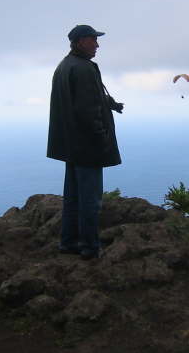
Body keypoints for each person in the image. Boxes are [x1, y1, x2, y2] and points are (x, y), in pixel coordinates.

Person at [47, 24, 123, 260]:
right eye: (93, 40)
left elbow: (84, 98)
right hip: (88, 146)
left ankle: (68, 242)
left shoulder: (65, 66)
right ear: (80, 42)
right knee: (91, 200)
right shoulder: (83, 69)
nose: (97, 45)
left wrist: (111, 104)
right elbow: (87, 110)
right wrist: (101, 137)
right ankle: (90, 247)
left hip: (71, 146)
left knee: (72, 198)